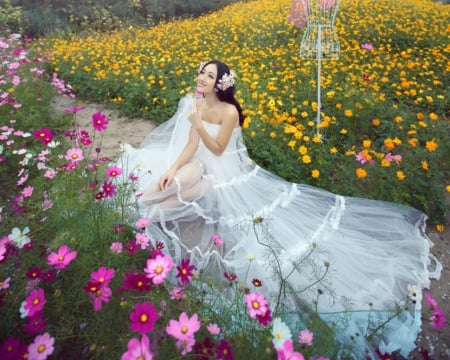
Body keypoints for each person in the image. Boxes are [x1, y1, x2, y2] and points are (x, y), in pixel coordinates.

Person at [117, 60, 441, 358]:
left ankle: (141, 219)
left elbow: (216, 147)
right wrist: (172, 167)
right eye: (201, 72)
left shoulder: (228, 112)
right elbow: (192, 146)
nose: (201, 77)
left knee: (188, 191)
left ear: (220, 84)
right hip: (200, 166)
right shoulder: (196, 104)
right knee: (173, 182)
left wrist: (198, 123)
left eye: (209, 74)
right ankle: (137, 208)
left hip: (225, 177)